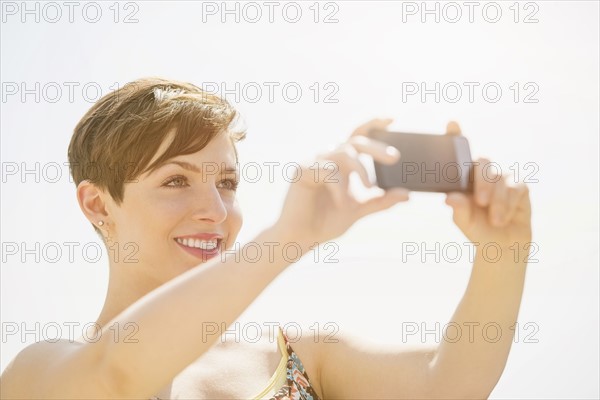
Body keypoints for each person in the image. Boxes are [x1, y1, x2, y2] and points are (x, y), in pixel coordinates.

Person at [0, 77, 532, 400]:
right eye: (176, 180)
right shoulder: (39, 372)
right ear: (98, 205)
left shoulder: (298, 357)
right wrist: (286, 240)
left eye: (226, 183)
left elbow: (452, 385)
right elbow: (117, 377)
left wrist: (502, 251)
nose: (214, 211)